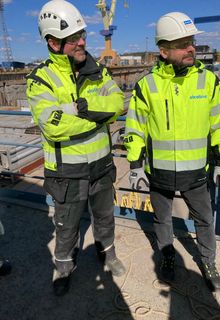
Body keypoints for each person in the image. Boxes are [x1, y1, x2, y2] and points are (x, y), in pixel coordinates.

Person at [124, 12, 220, 292]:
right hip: (158, 173)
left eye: (192, 41)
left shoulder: (208, 82)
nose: (191, 48)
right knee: (162, 221)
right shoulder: (147, 86)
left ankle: (208, 262)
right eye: (182, 43)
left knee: (205, 221)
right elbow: (136, 128)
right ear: (163, 50)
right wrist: (135, 165)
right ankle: (168, 257)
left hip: (197, 173)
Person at [26, 0, 125, 296]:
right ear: (54, 42)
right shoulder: (40, 80)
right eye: (74, 38)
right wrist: (97, 117)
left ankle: (108, 254)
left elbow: (118, 104)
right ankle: (64, 268)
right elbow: (53, 124)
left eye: (82, 35)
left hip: (102, 165)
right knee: (67, 226)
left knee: (105, 217)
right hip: (67, 172)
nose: (82, 41)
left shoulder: (98, 70)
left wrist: (79, 109)